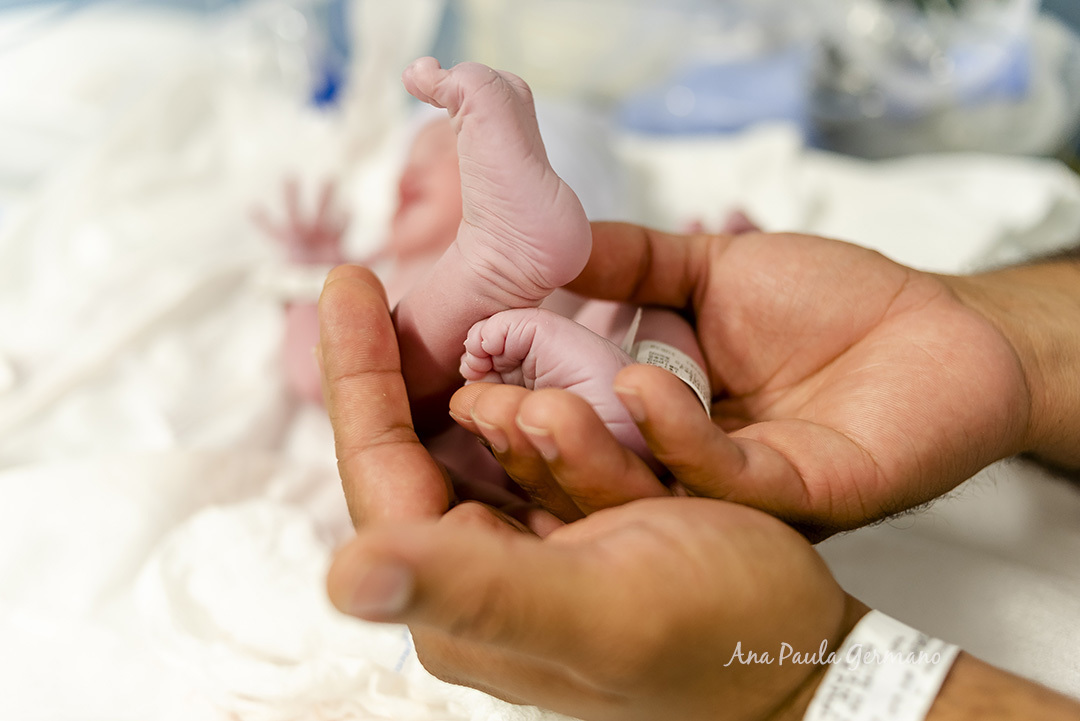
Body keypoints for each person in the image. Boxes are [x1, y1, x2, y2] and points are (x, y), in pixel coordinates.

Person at [316, 212, 1080, 718]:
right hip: (612, 374)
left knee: (547, 396)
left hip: (619, 377)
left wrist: (800, 683)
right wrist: (1012, 339)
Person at [258, 58, 709, 467]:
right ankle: (654, 397)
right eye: (410, 159)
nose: (406, 173)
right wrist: (325, 269)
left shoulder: (405, 279)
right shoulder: (391, 269)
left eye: (441, 151)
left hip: (506, 410)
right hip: (521, 404)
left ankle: (652, 394)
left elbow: (316, 369)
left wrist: (305, 296)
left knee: (354, 359)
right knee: (651, 313)